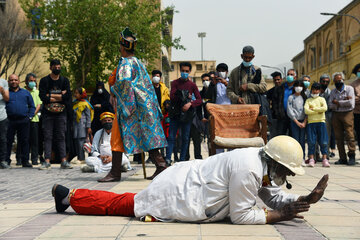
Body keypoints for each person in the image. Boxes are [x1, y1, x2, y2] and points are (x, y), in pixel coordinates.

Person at [52, 136, 329, 225]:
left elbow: (270, 195)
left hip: (186, 181)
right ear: (276, 162)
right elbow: (241, 216)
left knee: (127, 201)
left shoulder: (260, 160)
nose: (288, 177)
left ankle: (68, 195)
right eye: (289, 172)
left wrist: (302, 200)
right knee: (125, 204)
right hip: (181, 191)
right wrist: (278, 216)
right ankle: (69, 196)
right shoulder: (250, 168)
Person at [98, 28, 167, 182]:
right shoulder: (139, 62)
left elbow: (124, 83)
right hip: (144, 106)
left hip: (131, 107)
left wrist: (114, 91)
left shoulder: (125, 63)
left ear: (122, 47)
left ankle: (115, 172)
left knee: (116, 137)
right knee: (148, 135)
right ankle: (161, 165)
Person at [38, 59, 73, 170]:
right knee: (47, 136)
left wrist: (51, 96)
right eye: (55, 67)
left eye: (59, 67)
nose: (57, 69)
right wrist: (60, 96)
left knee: (61, 136)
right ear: (50, 67)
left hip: (61, 113)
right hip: (48, 114)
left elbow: (67, 96)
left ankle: (63, 160)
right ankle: (47, 160)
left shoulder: (64, 80)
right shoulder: (44, 80)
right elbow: (43, 97)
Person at [166, 62, 202, 164]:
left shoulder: (192, 85)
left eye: (187, 71)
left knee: (185, 138)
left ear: (190, 72)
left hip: (187, 115)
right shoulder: (175, 83)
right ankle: (168, 158)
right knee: (171, 137)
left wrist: (190, 103)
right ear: (180, 70)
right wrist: (182, 95)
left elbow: (199, 100)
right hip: (175, 114)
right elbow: (172, 96)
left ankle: (182, 160)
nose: (184, 73)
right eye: (183, 71)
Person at [6, 74, 35, 168]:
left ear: (19, 81)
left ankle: (25, 161)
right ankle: (6, 160)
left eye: (15, 80)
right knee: (7, 141)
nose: (13, 82)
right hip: (9, 121)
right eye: (11, 80)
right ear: (8, 82)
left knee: (25, 141)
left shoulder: (25, 93)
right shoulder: (6, 93)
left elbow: (32, 106)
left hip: (24, 120)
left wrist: (29, 117)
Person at [329, 72, 356, 165]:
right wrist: (344, 100)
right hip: (336, 115)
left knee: (350, 135)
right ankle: (342, 158)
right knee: (338, 137)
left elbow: (351, 103)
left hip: (347, 114)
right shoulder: (333, 91)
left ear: (343, 80)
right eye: (336, 81)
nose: (338, 82)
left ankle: (352, 155)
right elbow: (330, 105)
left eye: (339, 80)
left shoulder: (349, 89)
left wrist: (338, 102)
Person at [304, 83, 329, 167]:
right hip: (311, 123)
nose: (315, 91)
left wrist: (313, 108)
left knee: (323, 141)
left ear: (320, 90)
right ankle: (311, 159)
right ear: (311, 90)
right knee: (311, 141)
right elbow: (306, 111)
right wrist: (319, 110)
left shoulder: (322, 99)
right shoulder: (308, 100)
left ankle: (324, 159)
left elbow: (325, 108)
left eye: (317, 89)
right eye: (314, 89)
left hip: (321, 122)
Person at [272, 69, 297, 136]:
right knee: (281, 137)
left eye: (291, 74)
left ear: (295, 77)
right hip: (282, 117)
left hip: (294, 118)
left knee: (293, 137)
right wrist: (278, 113)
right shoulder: (280, 88)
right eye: (288, 74)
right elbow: (275, 102)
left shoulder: (297, 88)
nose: (289, 76)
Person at [287, 80, 307, 162]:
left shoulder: (305, 97)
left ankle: (302, 157)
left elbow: (307, 110)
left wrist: (304, 122)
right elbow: (289, 110)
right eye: (297, 86)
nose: (298, 88)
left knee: (302, 140)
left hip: (303, 121)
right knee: (296, 140)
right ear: (294, 87)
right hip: (295, 121)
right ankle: (296, 158)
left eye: (300, 86)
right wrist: (296, 122)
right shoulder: (291, 97)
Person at [72, 87, 94, 164]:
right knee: (77, 142)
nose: (75, 95)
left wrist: (88, 127)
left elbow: (88, 116)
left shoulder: (86, 104)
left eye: (77, 93)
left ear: (82, 94)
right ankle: (79, 157)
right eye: (75, 93)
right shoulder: (75, 103)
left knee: (82, 142)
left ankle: (82, 158)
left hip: (83, 126)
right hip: (76, 126)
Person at [25, 73, 42, 165]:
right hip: (24, 119)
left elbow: (39, 104)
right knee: (24, 140)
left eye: (34, 81)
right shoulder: (23, 91)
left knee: (35, 141)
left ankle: (34, 159)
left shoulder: (37, 92)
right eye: (31, 81)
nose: (33, 83)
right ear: (26, 81)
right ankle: (22, 159)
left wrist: (32, 114)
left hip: (34, 119)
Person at [319, 74, 336, 158]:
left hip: (327, 115)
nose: (325, 83)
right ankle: (316, 155)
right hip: (316, 116)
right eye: (323, 81)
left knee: (327, 135)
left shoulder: (330, 92)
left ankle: (326, 154)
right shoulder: (316, 91)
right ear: (320, 81)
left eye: (327, 82)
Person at [267, 71, 283, 139]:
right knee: (273, 137)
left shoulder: (285, 90)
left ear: (281, 79)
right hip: (274, 118)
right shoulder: (270, 92)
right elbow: (267, 105)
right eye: (275, 80)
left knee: (283, 138)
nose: (277, 81)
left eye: (278, 79)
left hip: (284, 118)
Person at [350, 64, 360, 154]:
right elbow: (351, 99)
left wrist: (358, 97)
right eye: (359, 71)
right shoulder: (353, 85)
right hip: (357, 113)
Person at [0, 77, 10, 169]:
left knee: (3, 139)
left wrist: (2, 91)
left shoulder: (3, 82)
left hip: (2, 116)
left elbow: (7, 98)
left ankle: (2, 161)